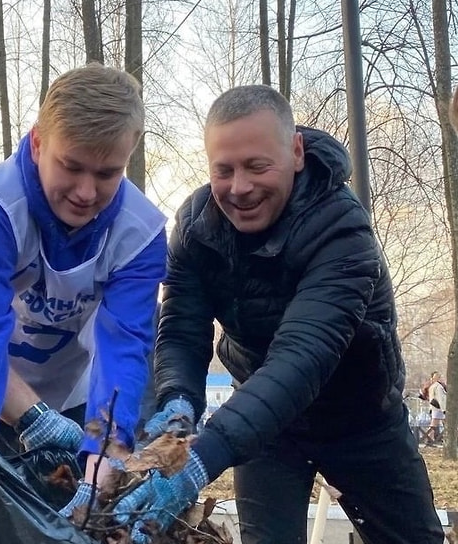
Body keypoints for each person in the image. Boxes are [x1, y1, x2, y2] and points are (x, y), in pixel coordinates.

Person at [117, 85, 443, 544]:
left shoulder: (342, 230)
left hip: (361, 420)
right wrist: (178, 404)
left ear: (295, 153)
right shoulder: (196, 226)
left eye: (257, 166)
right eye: (223, 170)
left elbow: (301, 358)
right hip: (265, 427)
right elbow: (182, 330)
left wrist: (202, 458)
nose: (240, 187)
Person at [0, 63, 167, 511]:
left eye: (107, 174)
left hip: (77, 401)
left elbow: (122, 347)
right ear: (38, 140)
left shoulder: (139, 233)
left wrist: (105, 452)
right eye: (71, 166)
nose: (86, 192)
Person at [427, 371, 447, 445]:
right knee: (437, 424)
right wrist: (444, 409)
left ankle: (430, 438)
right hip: (439, 408)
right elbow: (440, 399)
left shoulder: (433, 386)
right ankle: (430, 438)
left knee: (434, 424)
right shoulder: (438, 387)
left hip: (435, 408)